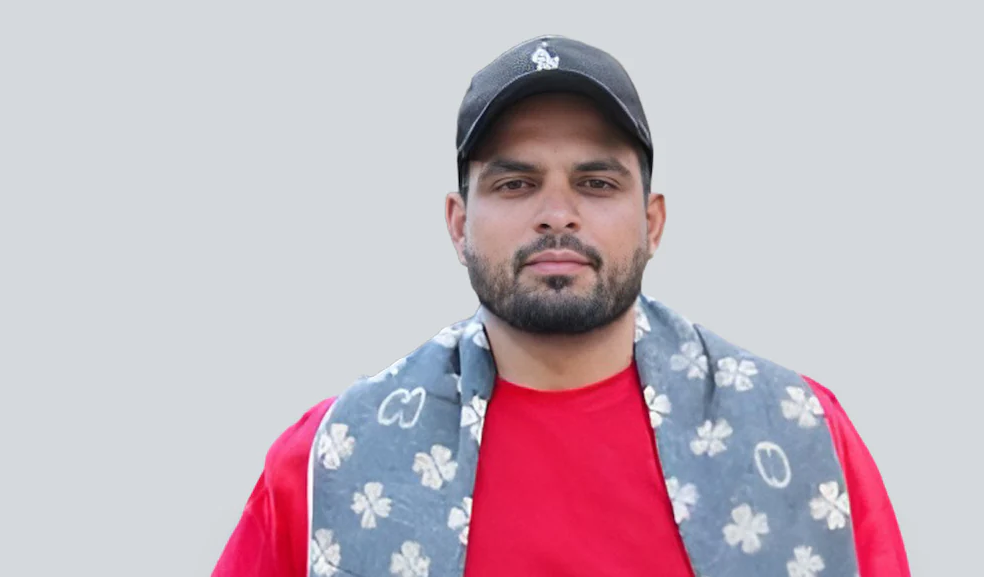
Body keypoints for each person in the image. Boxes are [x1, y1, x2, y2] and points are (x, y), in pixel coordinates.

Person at [212, 35, 910, 577]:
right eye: (515, 184)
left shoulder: (799, 433)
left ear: (653, 223)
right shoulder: (332, 459)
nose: (556, 213)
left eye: (596, 183)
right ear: (457, 223)